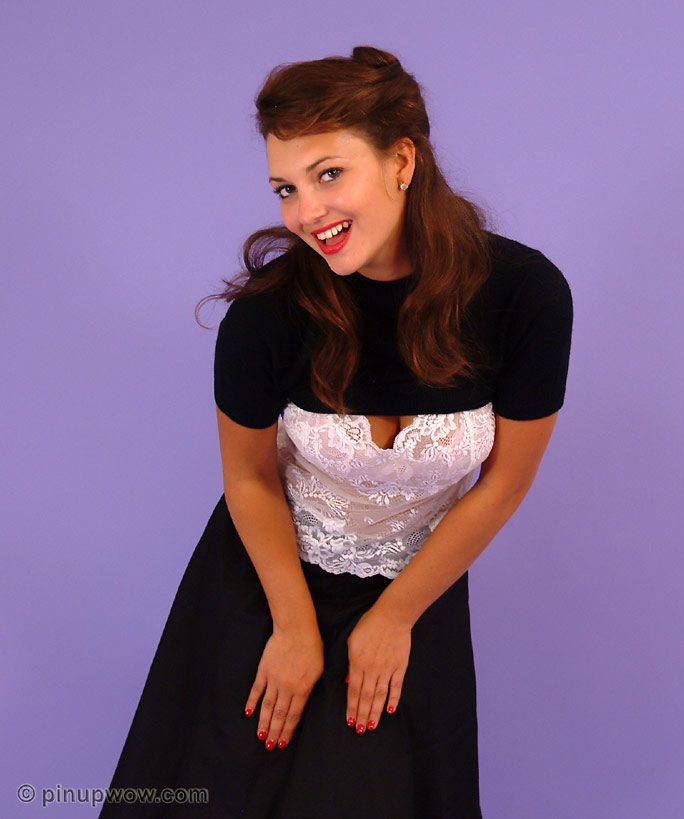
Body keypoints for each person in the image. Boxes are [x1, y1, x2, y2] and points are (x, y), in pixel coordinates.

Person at [99, 45, 573, 818]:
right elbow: (248, 476)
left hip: (416, 591)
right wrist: (292, 627)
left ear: (402, 160)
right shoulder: (267, 315)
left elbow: (506, 481)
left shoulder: (524, 296)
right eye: (286, 188)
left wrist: (394, 616)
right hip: (268, 583)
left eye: (327, 174)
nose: (305, 212)